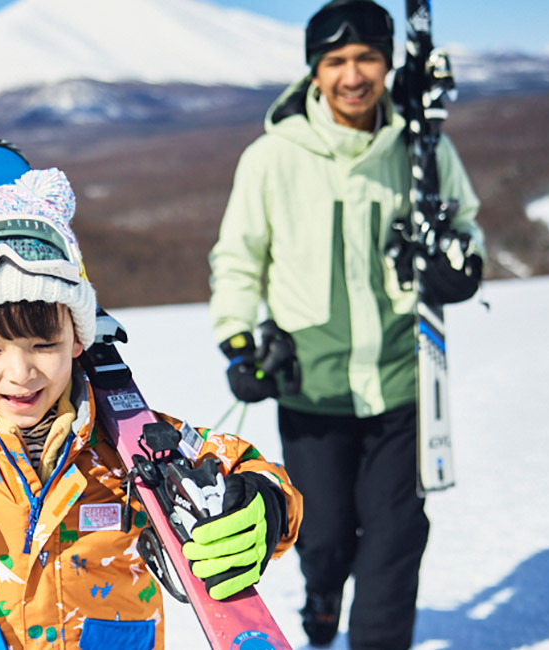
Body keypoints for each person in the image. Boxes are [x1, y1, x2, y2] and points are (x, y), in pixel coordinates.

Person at [0, 167, 303, 650]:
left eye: (43, 345)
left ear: (76, 339)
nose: (20, 372)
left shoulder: (129, 439)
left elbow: (243, 465)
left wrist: (264, 503)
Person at [207, 1, 485, 648]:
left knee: (396, 534)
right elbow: (239, 257)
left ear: (388, 65)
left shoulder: (420, 148)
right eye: (336, 61)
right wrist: (238, 342)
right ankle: (323, 590)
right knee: (323, 532)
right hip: (311, 382)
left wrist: (462, 265)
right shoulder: (274, 156)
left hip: (403, 378)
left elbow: (463, 222)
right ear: (314, 71)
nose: (352, 75)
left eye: (367, 58)